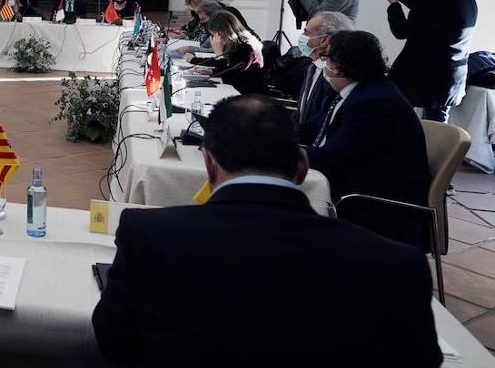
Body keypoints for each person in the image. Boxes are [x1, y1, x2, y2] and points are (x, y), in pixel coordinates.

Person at [92, 94, 441, 368]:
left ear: (209, 166)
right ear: (302, 167)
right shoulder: (398, 264)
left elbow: (114, 341)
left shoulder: (149, 235)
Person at [305, 30, 432, 247]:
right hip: (362, 180)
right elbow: (313, 128)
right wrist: (270, 129)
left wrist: (278, 151)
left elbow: (330, 159)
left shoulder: (374, 102)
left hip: (379, 202)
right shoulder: (363, 90)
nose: (325, 65)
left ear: (340, 65)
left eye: (327, 59)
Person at [385, 0, 479, 122]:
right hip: (451, 75)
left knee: (396, 118)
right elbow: (431, 18)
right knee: (439, 126)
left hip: (425, 75)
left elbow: (402, 31)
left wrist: (393, 5)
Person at [295, 11, 354, 145]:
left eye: (306, 33)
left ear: (324, 40)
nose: (302, 37)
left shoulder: (336, 75)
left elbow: (323, 120)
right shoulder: (312, 66)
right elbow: (301, 111)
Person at [185, 11, 266, 94]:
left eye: (217, 35)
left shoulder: (245, 47)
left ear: (225, 31)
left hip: (250, 96)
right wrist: (212, 71)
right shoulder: (237, 42)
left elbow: (230, 81)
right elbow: (231, 69)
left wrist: (219, 55)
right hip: (240, 91)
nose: (215, 39)